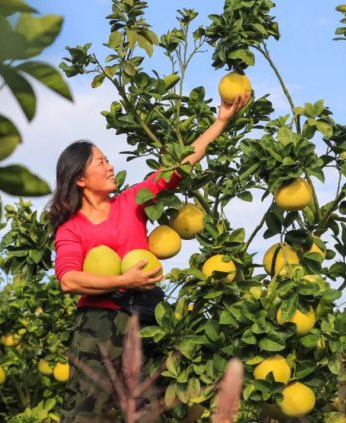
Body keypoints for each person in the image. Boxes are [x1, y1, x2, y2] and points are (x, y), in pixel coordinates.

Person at [49, 94, 249, 422]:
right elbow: (69, 279)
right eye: (100, 162)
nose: (110, 166)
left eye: (107, 159)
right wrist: (123, 281)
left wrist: (221, 122)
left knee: (150, 412)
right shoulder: (72, 228)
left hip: (147, 316)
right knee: (84, 413)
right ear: (80, 179)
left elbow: (179, 166)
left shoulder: (131, 202)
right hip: (99, 322)